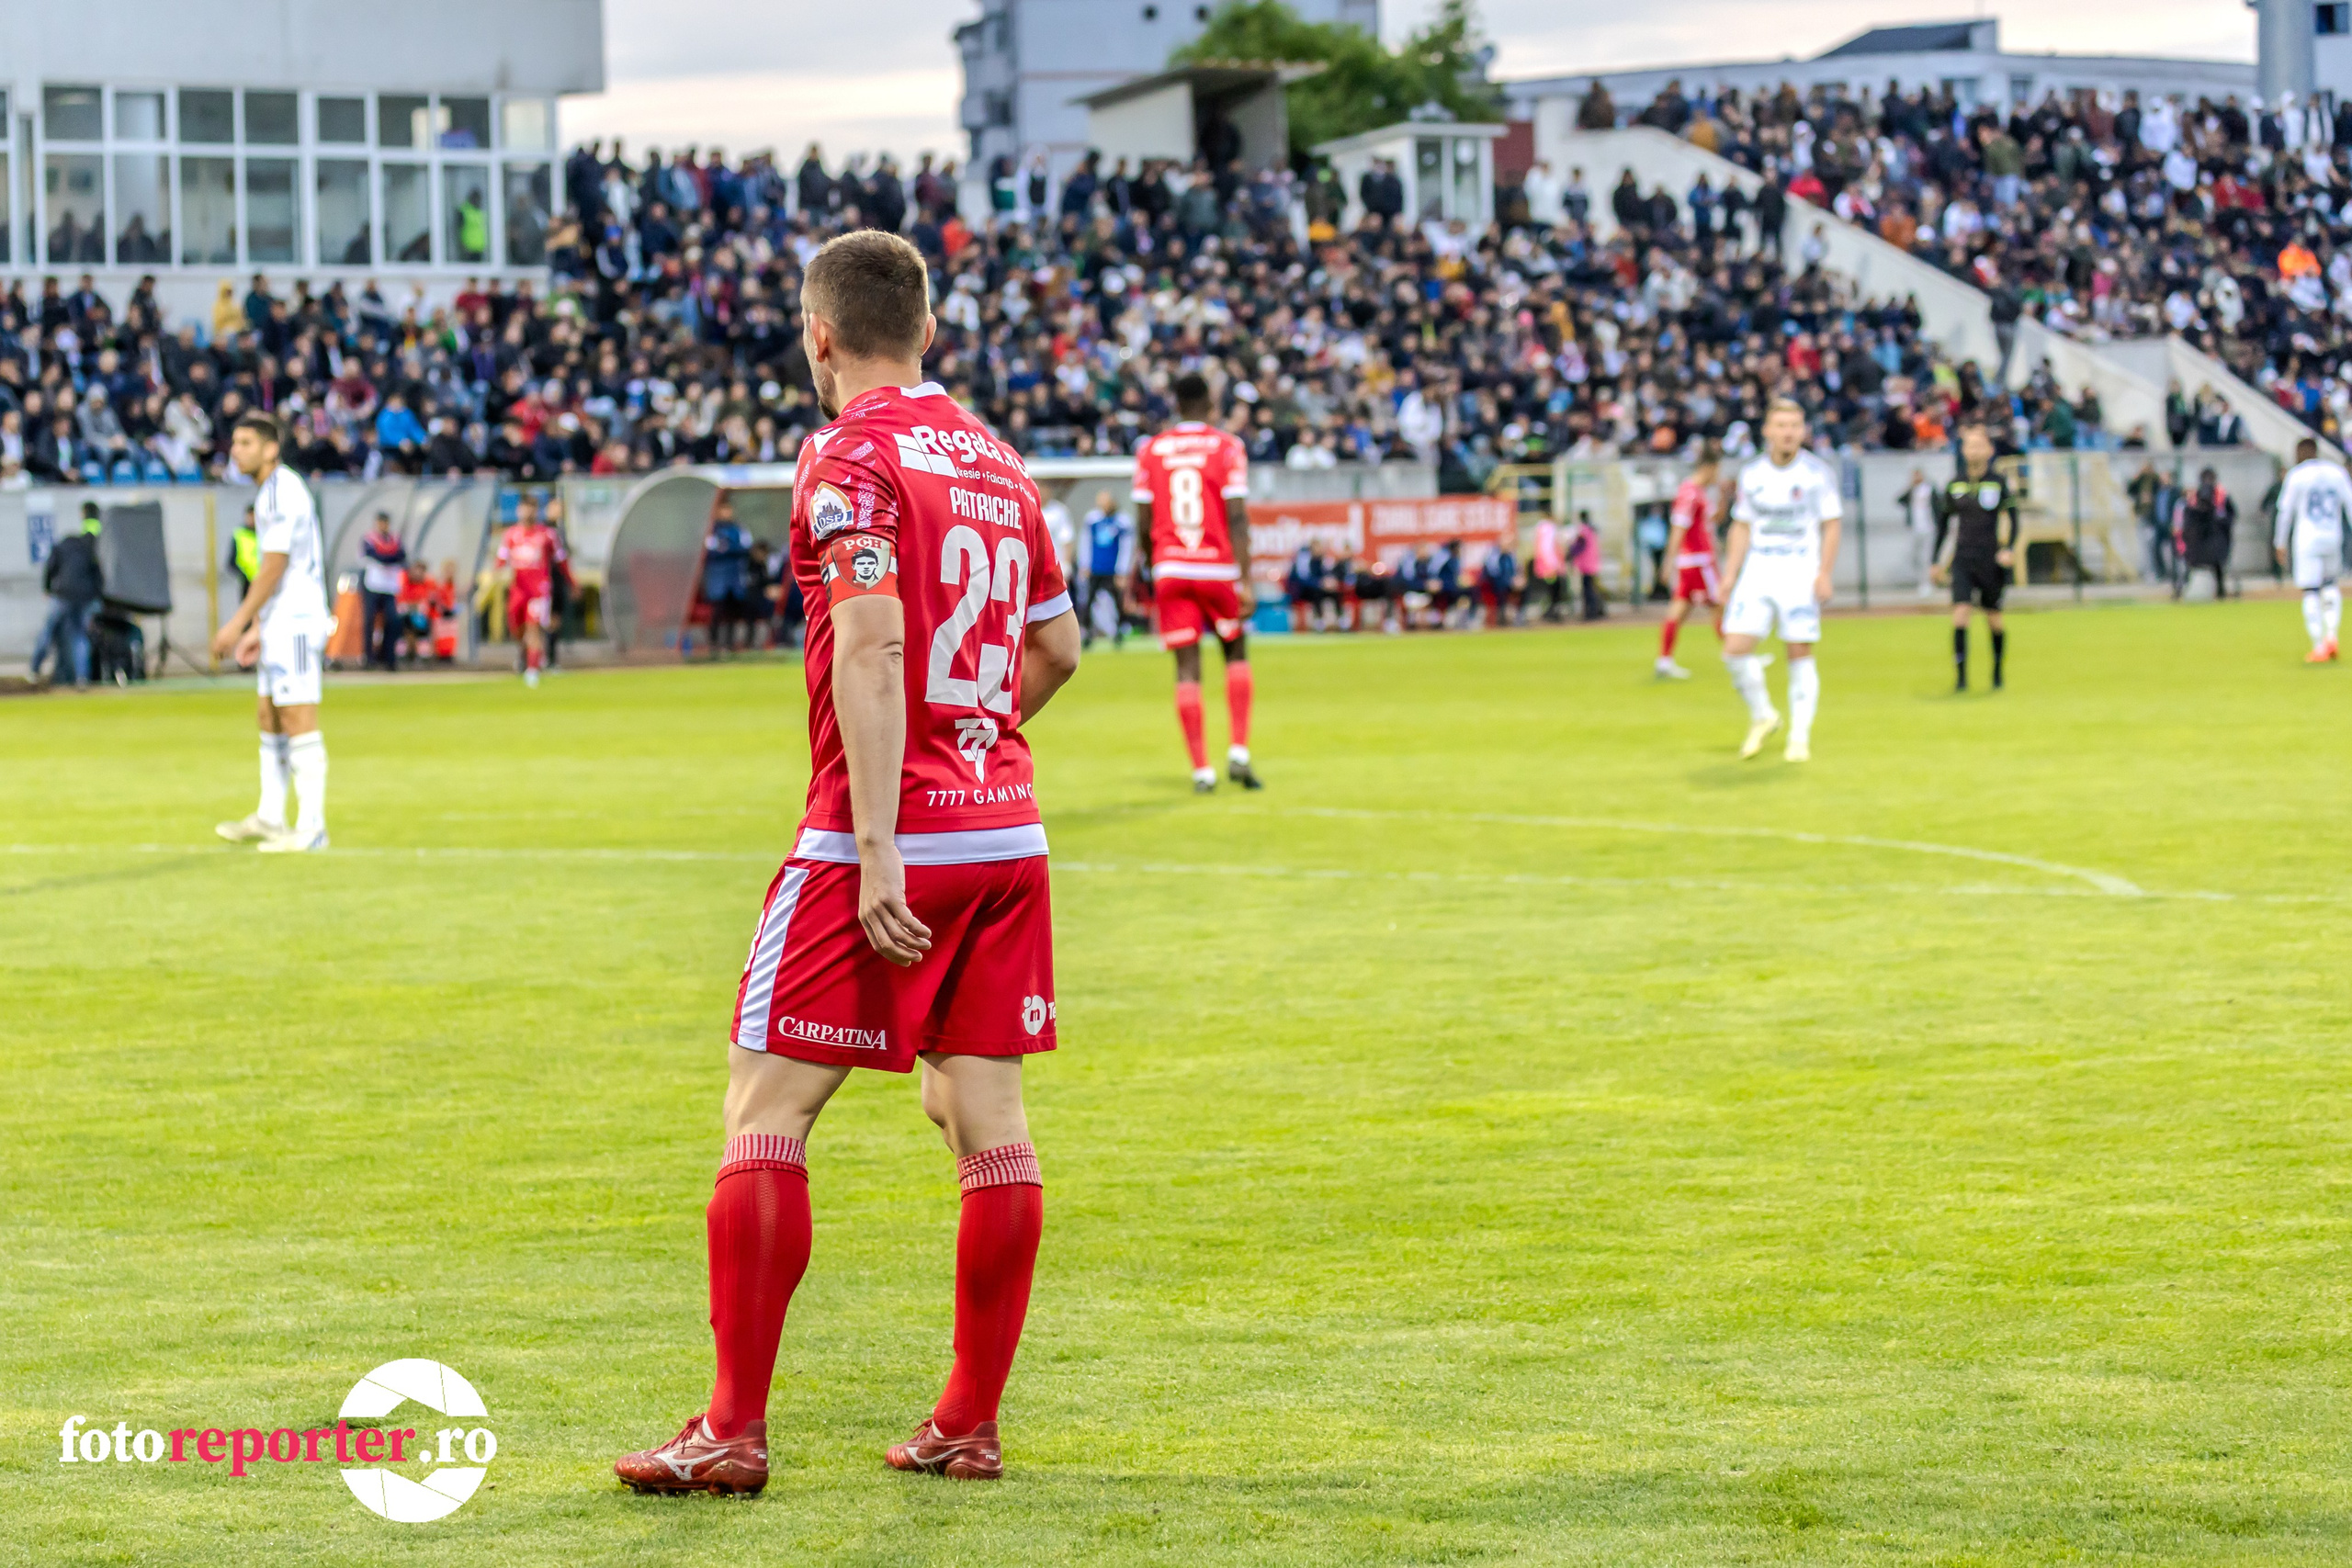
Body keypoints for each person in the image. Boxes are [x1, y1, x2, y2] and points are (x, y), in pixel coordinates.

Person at [613, 230, 1081, 1496]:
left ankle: (730, 1426)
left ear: (819, 335)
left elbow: (871, 644)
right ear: (927, 329)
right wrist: (975, 741)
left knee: (767, 1110)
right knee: (989, 1124)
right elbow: (1061, 646)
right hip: (1006, 833)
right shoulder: (994, 456)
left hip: (886, 833)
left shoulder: (846, 452)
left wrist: (880, 840)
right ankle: (966, 1422)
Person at [1128, 371, 1261, 792]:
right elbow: (1237, 515)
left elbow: (1142, 522)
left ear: (1177, 404)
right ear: (1210, 402)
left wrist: (1156, 567)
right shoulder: (1227, 446)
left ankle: (1202, 770)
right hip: (1217, 566)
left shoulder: (1151, 450)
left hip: (1172, 567)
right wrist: (1245, 578)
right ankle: (1238, 751)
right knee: (1236, 651)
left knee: (1187, 669)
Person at [210, 412, 332, 852]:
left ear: (270, 449)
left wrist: (237, 623)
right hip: (280, 619)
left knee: (299, 717)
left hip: (298, 619)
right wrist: (259, 627)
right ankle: (270, 816)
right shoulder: (268, 493)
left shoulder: (282, 490)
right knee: (270, 714)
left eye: (245, 443)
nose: (235, 451)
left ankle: (313, 826)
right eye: (235, 442)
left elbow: (275, 565)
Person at [1721, 400, 1840, 761]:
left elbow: (1831, 523)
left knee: (1798, 650)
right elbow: (1741, 525)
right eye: (1781, 425)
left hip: (1799, 571)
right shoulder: (1752, 474)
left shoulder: (1817, 474)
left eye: (1794, 425)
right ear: (1768, 431)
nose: (1788, 432)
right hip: (1758, 569)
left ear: (1803, 431)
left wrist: (1824, 573)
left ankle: (1799, 736)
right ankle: (1764, 715)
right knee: (1734, 648)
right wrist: (1729, 574)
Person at [1932, 423, 2019, 692]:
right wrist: (1936, 561)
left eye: (1979, 445)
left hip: (1990, 559)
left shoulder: (1998, 482)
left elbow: (2015, 521)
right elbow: (1944, 526)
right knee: (1960, 614)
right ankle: (1961, 679)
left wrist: (2009, 548)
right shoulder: (1954, 484)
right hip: (1963, 558)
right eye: (1970, 445)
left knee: (1994, 618)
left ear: (1990, 450)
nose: (1974, 450)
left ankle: (1996, 674)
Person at [2272, 436, 2352, 661]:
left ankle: (2318, 646)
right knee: (2330, 585)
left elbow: (2285, 512)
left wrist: (2279, 542)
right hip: (2332, 536)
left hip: (2307, 539)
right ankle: (2332, 635)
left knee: (2310, 590)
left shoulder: (2297, 475)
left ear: (2299, 454)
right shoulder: (2336, 472)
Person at [1656, 447, 1723, 679]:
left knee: (1680, 609)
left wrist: (1724, 498)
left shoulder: (1699, 493)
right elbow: (1678, 528)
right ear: (1709, 467)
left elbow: (1710, 521)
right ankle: (1738, 655)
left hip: (1693, 559)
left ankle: (1664, 661)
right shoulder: (1690, 493)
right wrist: (1668, 561)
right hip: (1698, 560)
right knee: (1719, 604)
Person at [497, 493, 568, 685]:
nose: (527, 512)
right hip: (518, 590)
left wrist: (571, 582)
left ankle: (533, 670)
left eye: (531, 508)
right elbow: (500, 560)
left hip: (539, 590)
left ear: (536, 511)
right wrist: (496, 573)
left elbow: (562, 560)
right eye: (524, 507)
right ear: (519, 510)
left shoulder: (547, 534)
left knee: (533, 629)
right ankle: (527, 655)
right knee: (517, 629)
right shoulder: (511, 535)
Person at [33, 502, 105, 689]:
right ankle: (82, 678)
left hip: (62, 595)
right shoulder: (88, 548)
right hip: (83, 598)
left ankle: (34, 669)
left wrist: (47, 589)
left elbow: (50, 569)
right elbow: (98, 575)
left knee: (48, 632)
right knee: (80, 637)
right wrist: (97, 597)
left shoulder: (61, 546)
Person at [701, 494, 755, 655]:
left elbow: (746, 548)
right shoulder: (712, 529)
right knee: (717, 610)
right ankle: (714, 643)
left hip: (735, 576)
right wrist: (731, 550)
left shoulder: (738, 529)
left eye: (728, 510)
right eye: (723, 510)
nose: (726, 513)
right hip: (717, 576)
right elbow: (710, 551)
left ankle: (731, 643)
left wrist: (726, 550)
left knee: (734, 610)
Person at [1078, 489, 1130, 648]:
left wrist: (1122, 570)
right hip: (1095, 568)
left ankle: (1119, 631)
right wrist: (1084, 564)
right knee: (1088, 601)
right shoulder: (1092, 520)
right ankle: (1087, 633)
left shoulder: (1122, 522)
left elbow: (1126, 547)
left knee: (1117, 602)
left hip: (1112, 570)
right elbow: (1085, 542)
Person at [2176, 468, 2237, 601]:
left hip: (2216, 538)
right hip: (2199, 539)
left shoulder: (2222, 497)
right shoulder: (2194, 498)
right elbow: (2189, 519)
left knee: (2218, 565)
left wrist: (2220, 521)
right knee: (2190, 564)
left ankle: (2221, 590)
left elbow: (2231, 516)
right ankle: (2181, 590)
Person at [356, 511, 407, 671]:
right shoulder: (369, 539)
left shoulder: (395, 539)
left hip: (389, 586)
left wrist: (386, 557)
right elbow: (376, 555)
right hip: (373, 584)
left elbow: (401, 555)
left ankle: (388, 657)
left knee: (392, 620)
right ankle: (368, 657)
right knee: (369, 621)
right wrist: (388, 556)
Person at [1903, 467, 1939, 600]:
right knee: (1915, 557)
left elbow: (1939, 506)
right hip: (1915, 529)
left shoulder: (1930, 489)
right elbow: (1899, 500)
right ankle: (1921, 581)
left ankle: (1926, 584)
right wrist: (1910, 488)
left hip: (1929, 528)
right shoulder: (1913, 490)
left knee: (1927, 558)